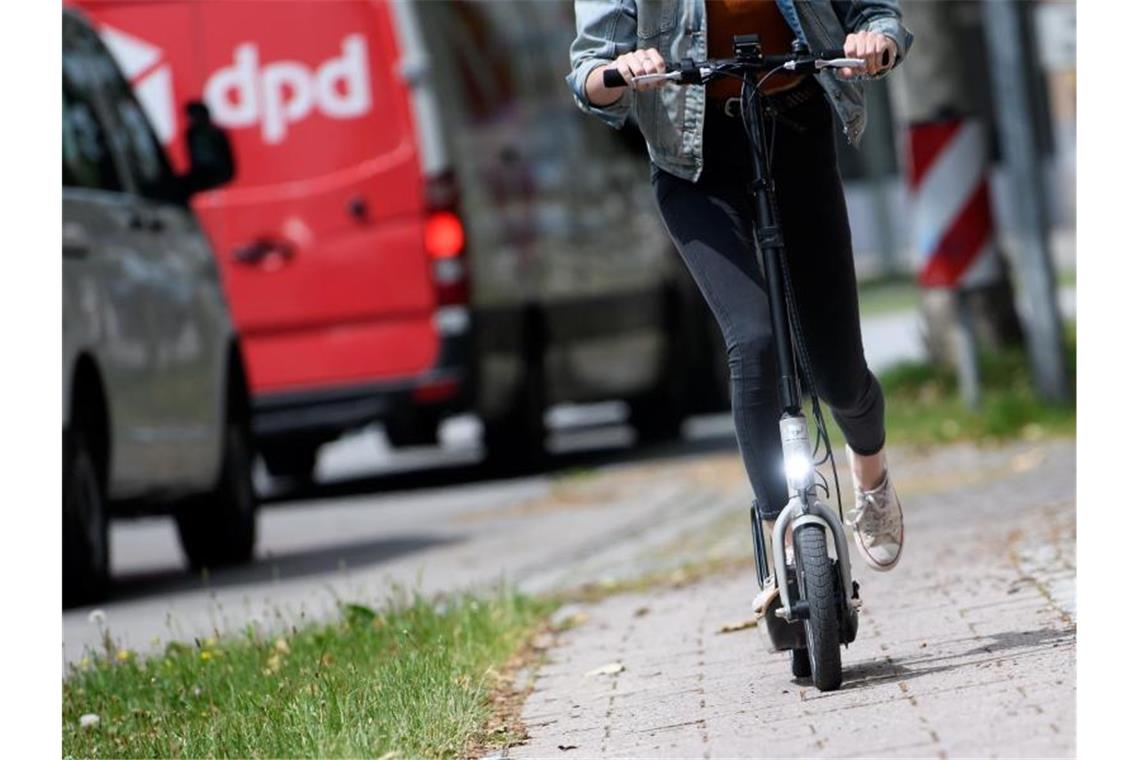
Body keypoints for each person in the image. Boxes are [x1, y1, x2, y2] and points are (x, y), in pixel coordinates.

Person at [567, 0, 914, 609]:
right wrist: (626, 68)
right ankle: (783, 544)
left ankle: (871, 471)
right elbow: (589, 74)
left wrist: (873, 42)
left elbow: (875, 14)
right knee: (752, 341)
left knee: (838, 372)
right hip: (692, 162)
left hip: (797, 131)